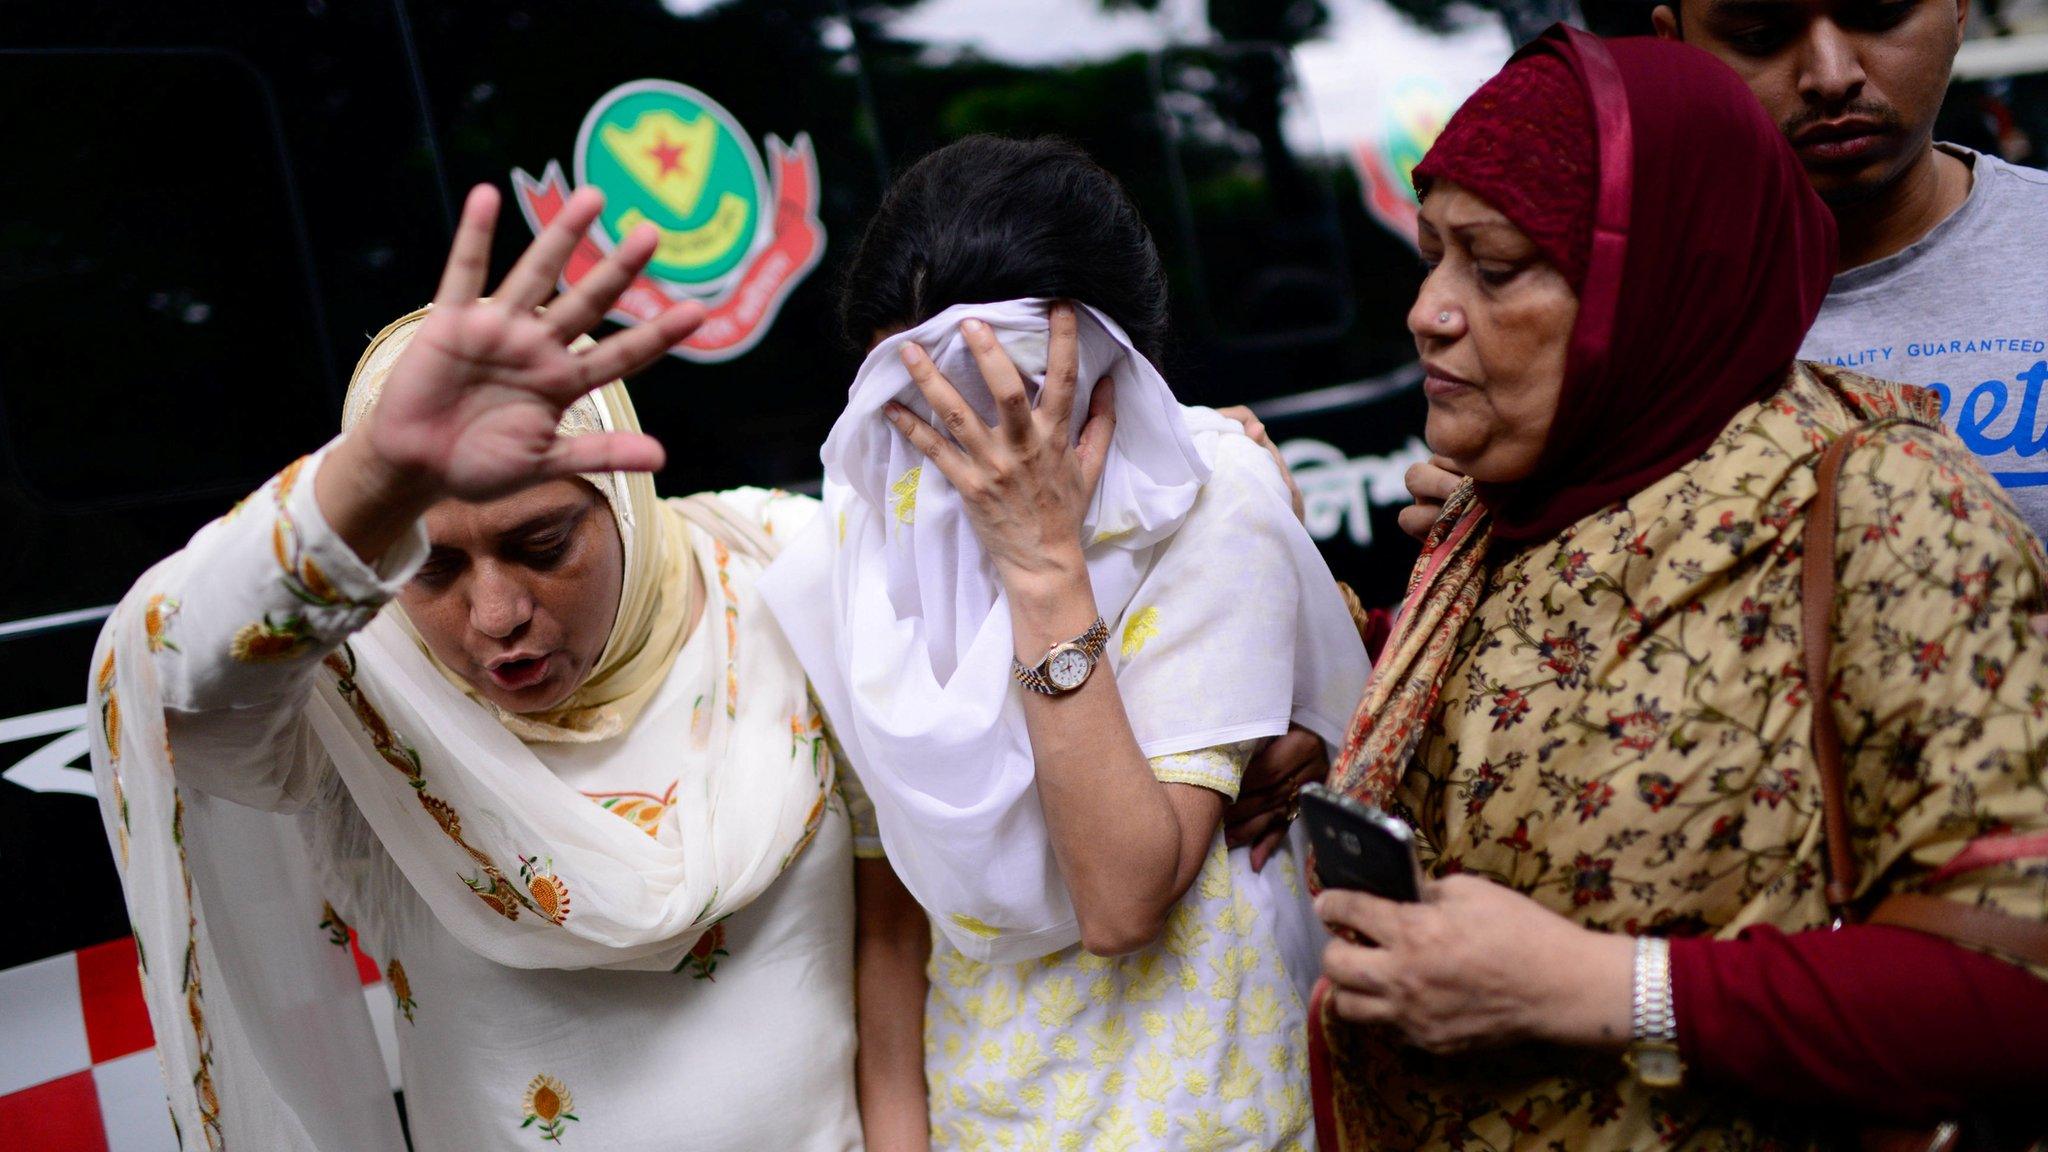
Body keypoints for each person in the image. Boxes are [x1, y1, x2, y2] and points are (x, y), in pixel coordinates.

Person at [1312, 28, 2048, 1151]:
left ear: (1646, 275)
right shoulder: (1499, 518)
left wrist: (1600, 988)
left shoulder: (1873, 506)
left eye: (1494, 266)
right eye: (1431, 257)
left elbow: (2013, 980)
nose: (1429, 310)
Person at [87, 187, 865, 1151]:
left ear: (623, 498)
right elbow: (177, 694)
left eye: (542, 543)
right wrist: (363, 484)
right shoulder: (357, 697)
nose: (496, 617)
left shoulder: (775, 569)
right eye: (430, 568)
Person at [760, 136, 1370, 1152]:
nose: (969, 452)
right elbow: (890, 925)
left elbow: (1122, 898)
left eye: (1006, 394)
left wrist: (1042, 570)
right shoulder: (861, 561)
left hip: (1204, 1113)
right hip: (987, 1114)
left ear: (1104, 371)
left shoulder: (1208, 507)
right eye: (921, 402)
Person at [1407, 0, 2048, 544]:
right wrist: (1508, 531)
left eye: (1878, 15)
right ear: (1675, 46)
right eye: (1759, 37)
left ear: (1961, 8)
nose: (1831, 75)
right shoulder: (1605, 322)